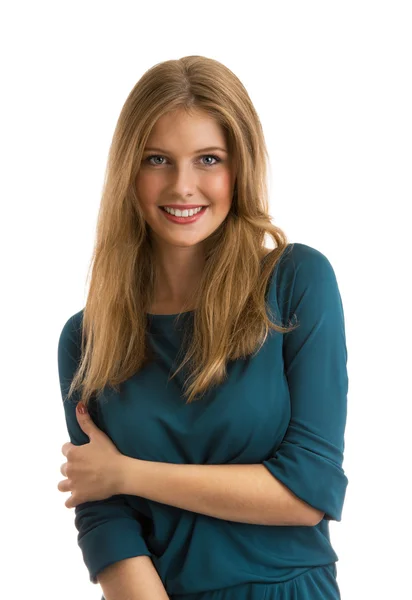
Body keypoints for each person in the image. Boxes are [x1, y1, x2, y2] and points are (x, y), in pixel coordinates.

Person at [57, 55, 348, 600]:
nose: (182, 186)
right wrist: (111, 485)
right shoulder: (87, 339)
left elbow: (307, 492)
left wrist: (126, 474)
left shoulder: (296, 284)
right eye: (158, 159)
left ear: (239, 169)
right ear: (128, 171)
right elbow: (107, 526)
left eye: (208, 159)